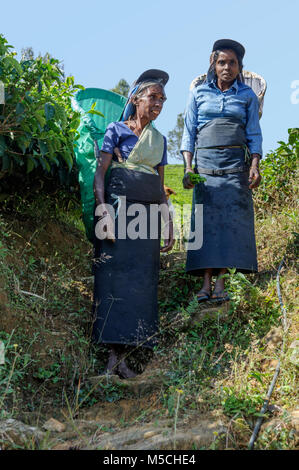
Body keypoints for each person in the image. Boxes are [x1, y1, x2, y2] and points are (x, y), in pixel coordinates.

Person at [92, 70, 174, 378]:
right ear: (136, 99)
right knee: (113, 277)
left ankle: (124, 358)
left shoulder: (159, 141)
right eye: (153, 97)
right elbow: (100, 175)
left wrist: (168, 224)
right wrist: (103, 211)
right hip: (118, 212)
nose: (158, 103)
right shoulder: (115, 131)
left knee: (140, 283)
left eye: (162, 99)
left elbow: (162, 188)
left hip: (148, 219)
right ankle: (112, 356)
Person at [181, 39, 263, 302]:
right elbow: (188, 133)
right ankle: (204, 284)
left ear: (239, 67)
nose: (226, 67)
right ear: (213, 65)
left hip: (235, 168)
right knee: (206, 223)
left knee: (230, 224)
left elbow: (254, 135)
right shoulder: (198, 93)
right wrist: (187, 167)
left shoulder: (247, 96)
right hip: (205, 168)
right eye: (221, 62)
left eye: (232, 63)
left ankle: (221, 284)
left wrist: (254, 166)